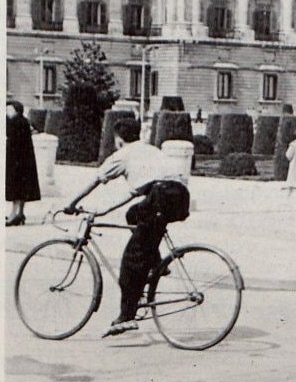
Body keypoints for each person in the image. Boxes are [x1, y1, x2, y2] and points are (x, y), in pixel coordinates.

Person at [63, 118, 190, 336]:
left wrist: (71, 203)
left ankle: (127, 316)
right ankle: (156, 263)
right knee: (134, 213)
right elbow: (133, 193)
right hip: (178, 195)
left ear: (119, 140)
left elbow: (96, 179)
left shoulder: (122, 154)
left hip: (159, 197)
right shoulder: (149, 149)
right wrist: (103, 211)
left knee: (131, 262)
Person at [6, 100, 41, 226]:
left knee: (15, 189)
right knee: (21, 189)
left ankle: (14, 214)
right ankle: (19, 214)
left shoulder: (14, 122)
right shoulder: (23, 121)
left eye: (8, 109)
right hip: (25, 160)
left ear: (15, 110)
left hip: (16, 161)